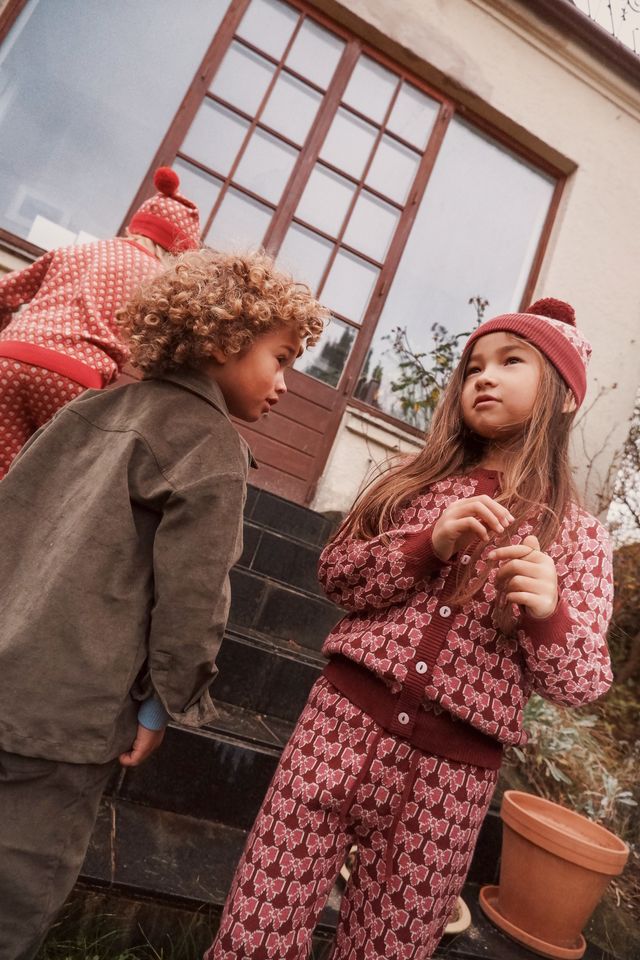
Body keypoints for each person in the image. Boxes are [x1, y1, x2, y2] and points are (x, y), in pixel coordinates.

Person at [206, 298, 614, 960]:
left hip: (451, 782)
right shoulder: (410, 480)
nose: (484, 377)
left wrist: (549, 614)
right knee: (259, 920)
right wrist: (427, 546)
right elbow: (338, 575)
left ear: (565, 397)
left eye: (511, 362)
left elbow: (583, 682)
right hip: (337, 730)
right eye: (474, 366)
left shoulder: (579, 537)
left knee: (390, 946)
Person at [0, 249, 327, 960]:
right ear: (223, 341)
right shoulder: (211, 446)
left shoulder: (90, 406)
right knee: (17, 883)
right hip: (68, 716)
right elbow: (194, 600)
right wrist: (165, 704)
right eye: (280, 359)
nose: (285, 384)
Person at [0, 165, 201, 478]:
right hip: (73, 378)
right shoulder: (160, 283)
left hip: (10, 358)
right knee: (43, 483)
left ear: (136, 227)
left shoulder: (79, 250)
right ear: (176, 252)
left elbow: (4, 292)